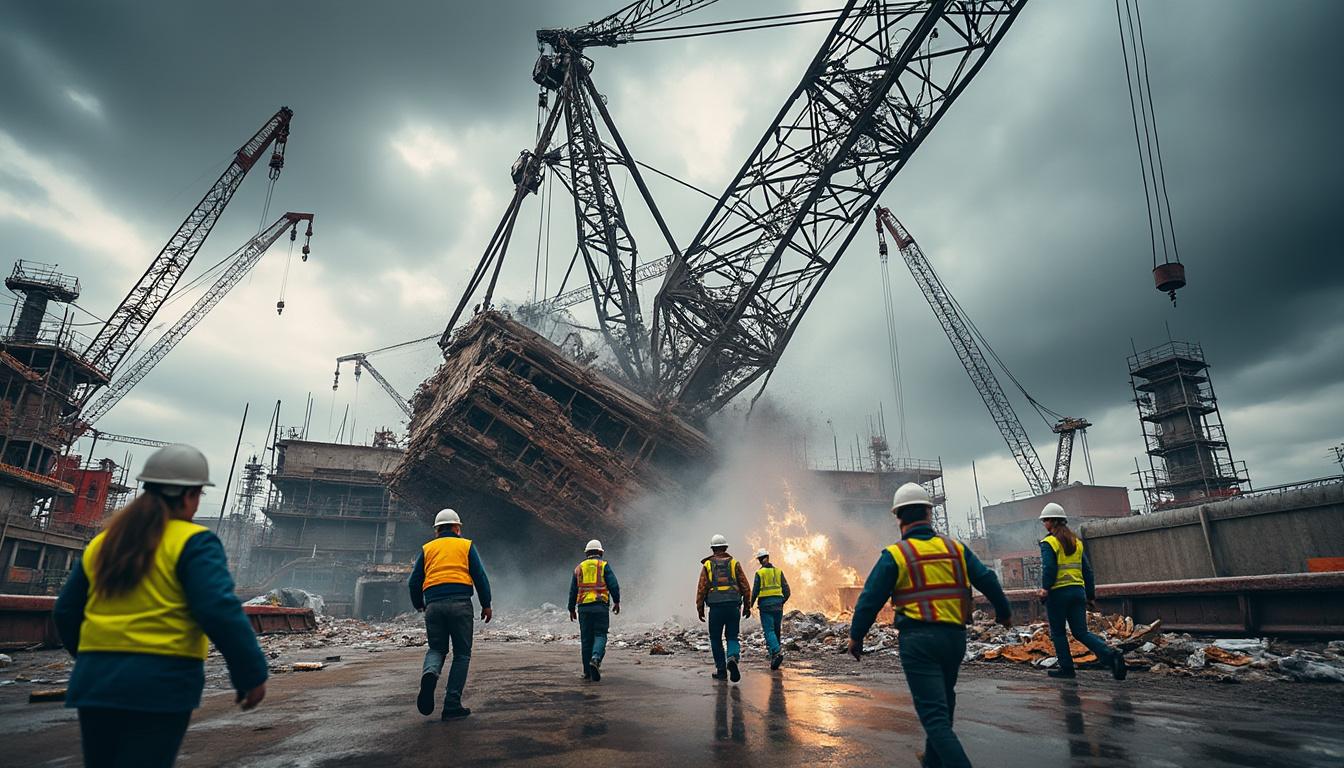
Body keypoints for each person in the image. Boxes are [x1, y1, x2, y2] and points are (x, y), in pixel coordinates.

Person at [53, 444, 268, 768]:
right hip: (161, 684)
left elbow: (67, 612)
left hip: (95, 682)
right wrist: (250, 672)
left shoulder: (103, 542)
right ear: (188, 496)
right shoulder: (194, 542)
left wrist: (90, 660)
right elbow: (218, 610)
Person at [848, 483, 1013, 768]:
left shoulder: (896, 555)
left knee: (934, 717)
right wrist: (1004, 613)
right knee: (943, 705)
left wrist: (856, 636)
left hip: (918, 642)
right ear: (929, 513)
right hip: (954, 639)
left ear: (898, 517)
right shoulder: (956, 549)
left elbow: (869, 600)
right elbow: (988, 579)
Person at [409, 508, 492, 720]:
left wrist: (419, 604)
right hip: (460, 603)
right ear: (457, 528)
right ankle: (452, 704)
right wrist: (486, 604)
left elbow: (414, 581)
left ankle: (430, 672)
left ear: (437, 530)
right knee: (462, 654)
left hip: (434, 605)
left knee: (436, 648)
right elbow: (480, 576)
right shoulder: (466, 545)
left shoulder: (427, 549)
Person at [1036, 503, 1127, 681]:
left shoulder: (1049, 542)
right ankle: (1111, 656)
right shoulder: (1076, 542)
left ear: (1053, 522)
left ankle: (1067, 669)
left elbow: (1049, 568)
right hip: (1078, 592)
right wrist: (1090, 595)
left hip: (1058, 594)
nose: (1044, 523)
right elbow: (1088, 571)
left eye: (1045, 519)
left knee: (1059, 633)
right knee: (1080, 632)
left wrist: (1045, 589)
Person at [696, 533, 752, 682]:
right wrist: (747, 606)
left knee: (715, 638)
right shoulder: (734, 563)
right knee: (732, 636)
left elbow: (702, 588)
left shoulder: (708, 565)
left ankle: (721, 670)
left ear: (713, 549)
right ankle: (732, 657)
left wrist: (700, 608)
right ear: (725, 547)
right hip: (733, 606)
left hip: (716, 608)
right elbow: (745, 586)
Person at [568, 538, 621, 682]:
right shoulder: (603, 566)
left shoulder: (579, 568)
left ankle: (587, 672)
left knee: (586, 640)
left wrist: (571, 608)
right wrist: (616, 601)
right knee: (600, 635)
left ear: (587, 553)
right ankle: (596, 659)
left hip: (583, 609)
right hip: (600, 607)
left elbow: (573, 591)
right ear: (600, 552)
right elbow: (613, 585)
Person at [748, 548, 791, 670]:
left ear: (760, 560)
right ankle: (774, 656)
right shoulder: (778, 571)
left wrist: (750, 605)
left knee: (769, 631)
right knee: (776, 630)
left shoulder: (760, 573)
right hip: (778, 606)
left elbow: (755, 591)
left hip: (766, 607)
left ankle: (776, 652)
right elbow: (787, 590)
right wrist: (782, 601)